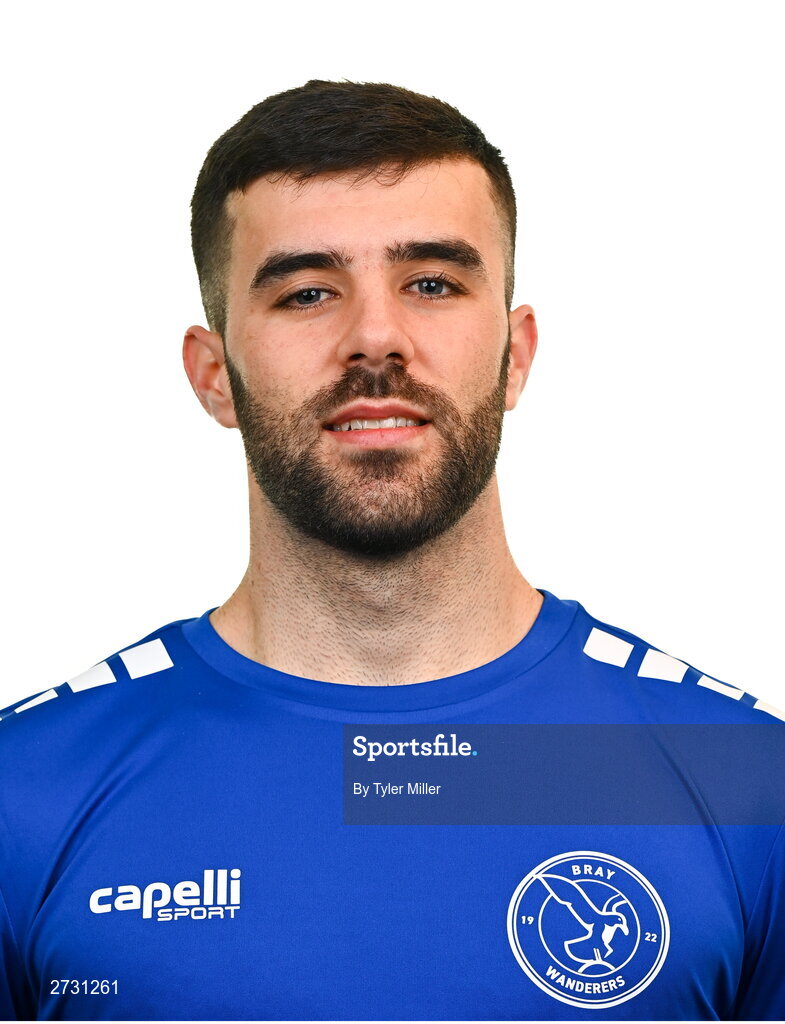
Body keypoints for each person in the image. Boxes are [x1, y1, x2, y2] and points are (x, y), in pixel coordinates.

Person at [0, 79, 783, 1023]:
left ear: (515, 352)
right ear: (213, 376)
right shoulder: (28, 793)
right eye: (307, 292)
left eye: (432, 283)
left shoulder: (745, 783)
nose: (375, 336)